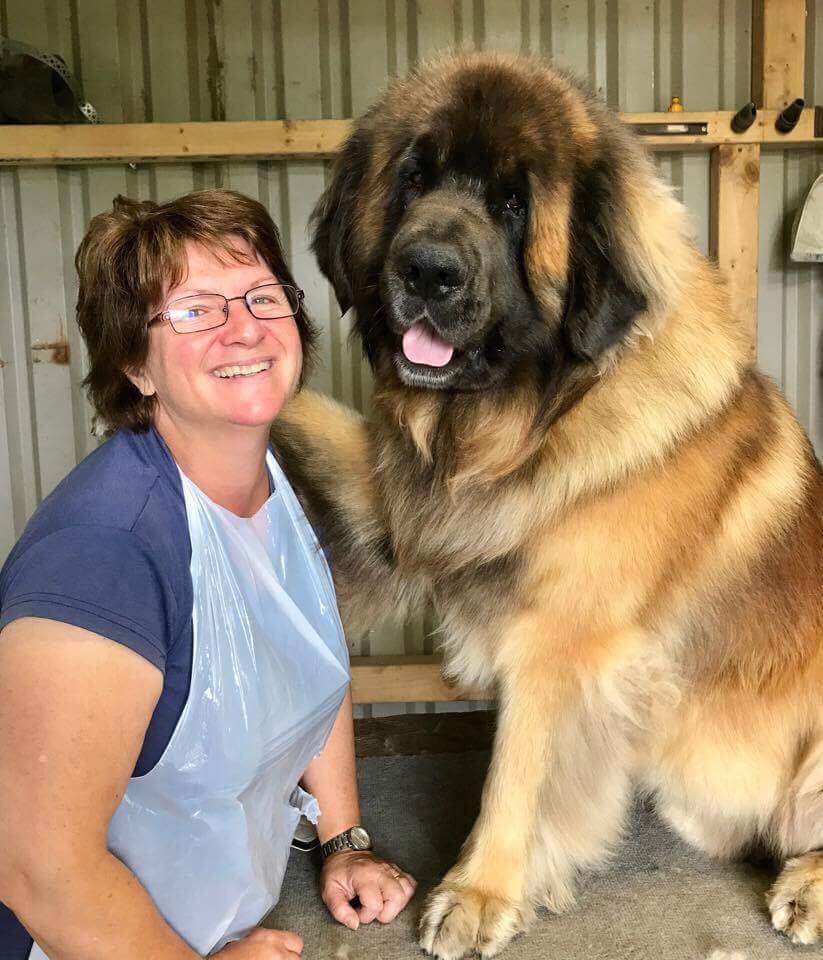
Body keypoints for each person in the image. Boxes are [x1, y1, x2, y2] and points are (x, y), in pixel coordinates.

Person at [0, 190, 416, 960]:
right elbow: (40, 875)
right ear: (135, 363)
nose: (244, 326)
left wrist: (343, 840)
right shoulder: (104, 555)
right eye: (194, 311)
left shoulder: (271, 488)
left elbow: (304, 664)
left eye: (262, 295)